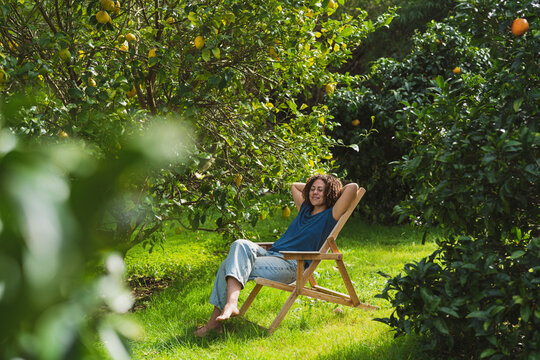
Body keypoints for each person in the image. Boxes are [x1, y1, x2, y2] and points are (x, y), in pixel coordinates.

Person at [194, 174, 359, 336]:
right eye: (312, 189)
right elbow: (295, 185)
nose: (314, 192)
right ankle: (229, 306)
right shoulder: (305, 210)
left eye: (320, 190)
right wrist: (313, 186)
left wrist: (332, 189)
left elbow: (353, 188)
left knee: (227, 265)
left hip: (291, 264)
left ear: (330, 193)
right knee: (239, 244)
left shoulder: (331, 215)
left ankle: (218, 319)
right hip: (271, 254)